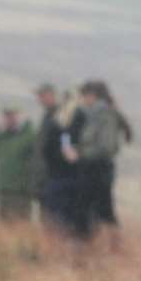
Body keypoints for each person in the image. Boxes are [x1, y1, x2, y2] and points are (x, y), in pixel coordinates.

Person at [66, 80, 132, 245]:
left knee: (103, 208)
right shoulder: (93, 114)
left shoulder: (106, 115)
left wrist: (81, 154)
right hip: (91, 167)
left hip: (99, 168)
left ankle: (113, 245)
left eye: (84, 96)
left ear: (92, 96)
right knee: (85, 206)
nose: (82, 100)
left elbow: (106, 147)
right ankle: (87, 244)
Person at [33, 83, 84, 235]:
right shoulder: (57, 118)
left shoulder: (68, 119)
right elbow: (62, 139)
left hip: (63, 177)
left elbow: (64, 139)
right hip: (55, 175)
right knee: (52, 218)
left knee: (61, 219)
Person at [0, 104, 36, 221]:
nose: (10, 118)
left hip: (21, 190)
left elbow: (35, 144)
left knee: (20, 224)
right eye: (7, 115)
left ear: (19, 117)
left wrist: (27, 125)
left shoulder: (28, 136)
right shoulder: (1, 137)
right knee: (4, 223)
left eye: (13, 115)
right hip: (4, 188)